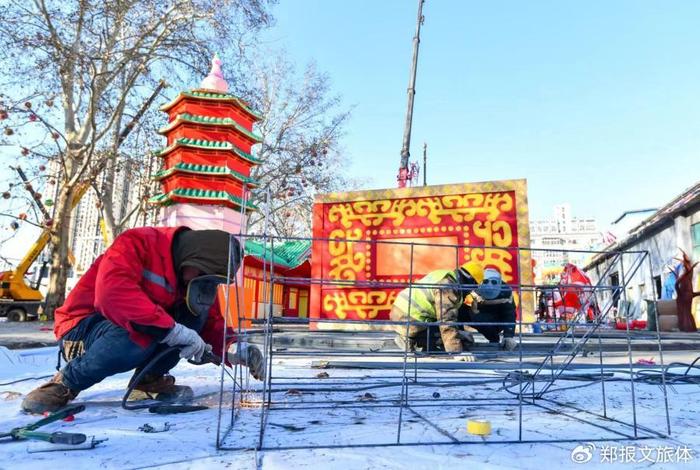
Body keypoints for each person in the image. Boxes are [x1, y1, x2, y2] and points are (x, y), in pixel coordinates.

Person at [21, 226, 264, 414]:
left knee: (190, 316)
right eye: (203, 275)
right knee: (143, 332)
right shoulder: (137, 242)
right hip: (82, 329)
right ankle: (64, 384)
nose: (201, 282)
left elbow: (210, 323)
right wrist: (173, 330)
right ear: (192, 259)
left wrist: (234, 349)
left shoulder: (194, 278)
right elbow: (113, 295)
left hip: (136, 330)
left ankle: (147, 382)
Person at [389, 261, 485, 354]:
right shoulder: (447, 286)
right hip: (408, 318)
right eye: (473, 287)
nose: (471, 291)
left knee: (460, 335)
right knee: (453, 341)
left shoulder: (447, 276)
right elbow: (446, 319)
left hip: (402, 311)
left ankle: (413, 337)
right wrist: (456, 351)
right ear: (470, 281)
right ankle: (411, 340)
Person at [460, 268, 518, 351]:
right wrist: (458, 331)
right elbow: (459, 309)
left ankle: (493, 337)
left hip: (495, 319)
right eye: (486, 282)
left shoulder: (505, 292)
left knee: (486, 323)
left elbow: (509, 314)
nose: (490, 286)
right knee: (461, 309)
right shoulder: (472, 286)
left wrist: (508, 336)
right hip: (476, 313)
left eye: (493, 283)